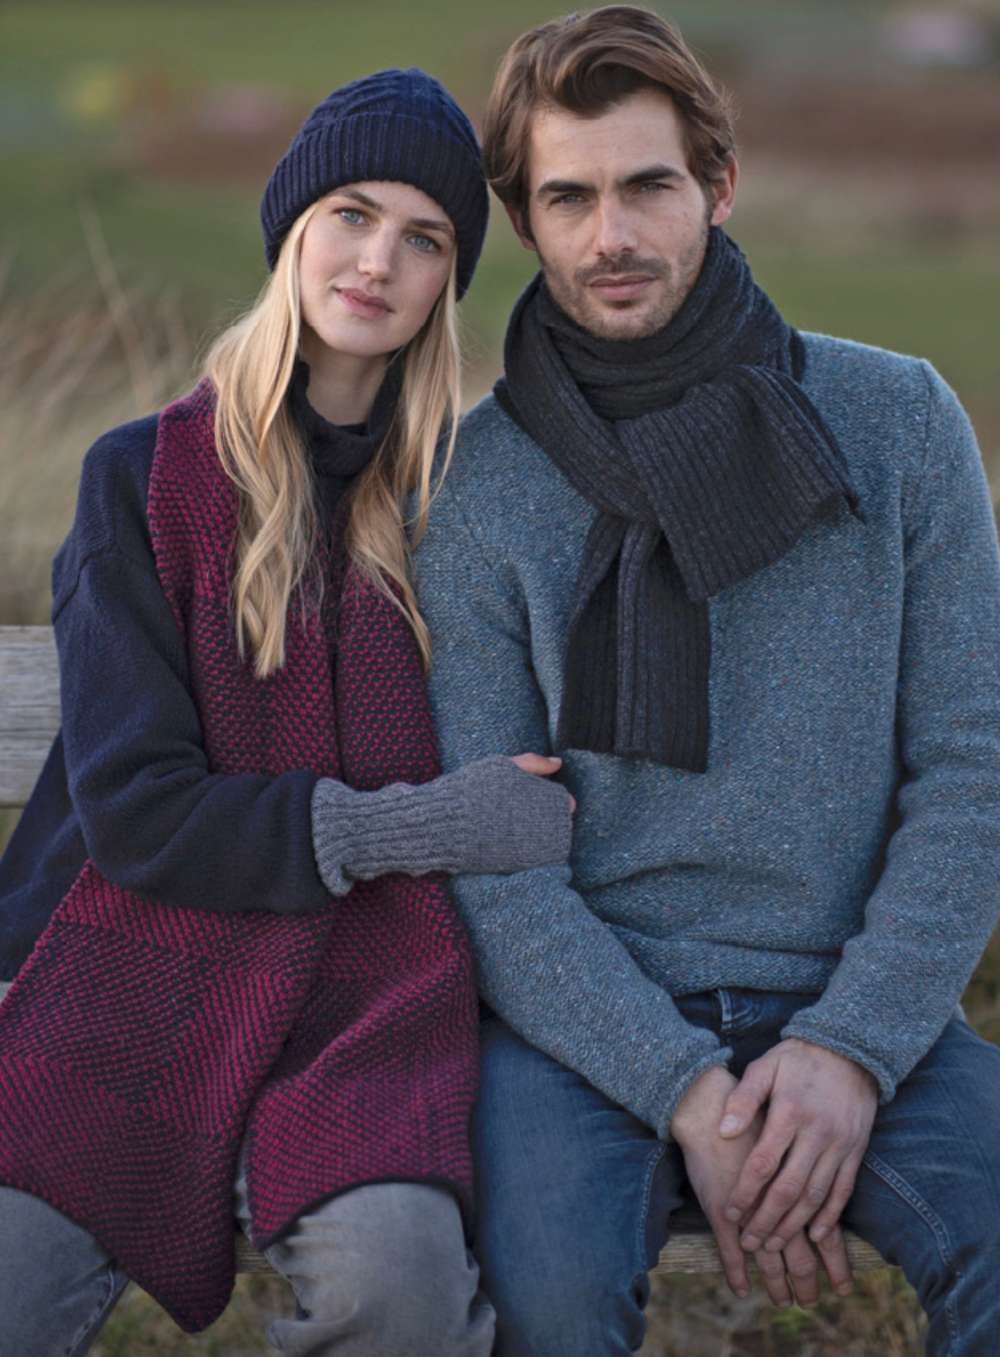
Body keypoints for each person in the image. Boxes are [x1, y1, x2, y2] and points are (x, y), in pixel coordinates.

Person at [413, 9, 1000, 1355]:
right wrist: (681, 1087)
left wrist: (852, 1049)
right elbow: (490, 857)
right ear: (526, 218)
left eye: (647, 186)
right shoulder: (476, 487)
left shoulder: (899, 423)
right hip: (583, 1038)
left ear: (716, 187)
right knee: (549, 1301)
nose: (611, 233)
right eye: (569, 197)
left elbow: (973, 765)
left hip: (860, 1004)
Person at [0, 68, 574, 1357]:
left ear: (447, 282)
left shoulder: (463, 512)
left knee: (402, 1290)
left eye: (424, 239)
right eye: (352, 215)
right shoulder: (143, 478)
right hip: (133, 975)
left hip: (368, 1013)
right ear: (293, 228)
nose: (378, 260)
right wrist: (420, 823)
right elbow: (141, 816)